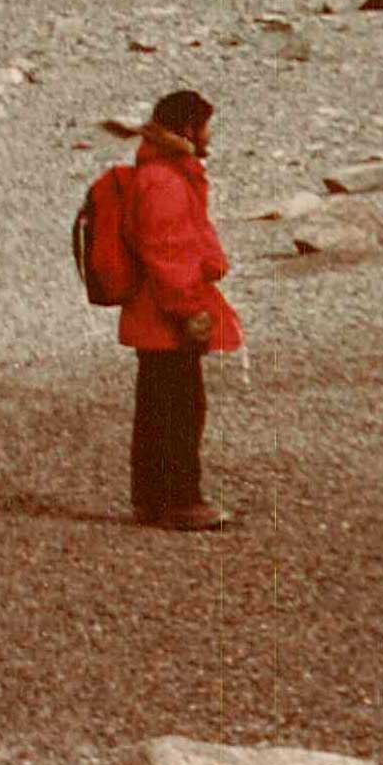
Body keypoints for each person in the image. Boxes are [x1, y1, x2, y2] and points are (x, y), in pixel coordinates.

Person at [116, 88, 242, 530]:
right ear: (188, 128)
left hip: (152, 316)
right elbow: (168, 254)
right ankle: (181, 501)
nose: (210, 135)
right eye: (206, 126)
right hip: (167, 317)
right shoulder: (166, 181)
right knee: (181, 409)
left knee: (157, 406)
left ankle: (152, 499)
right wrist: (191, 311)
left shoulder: (159, 174)